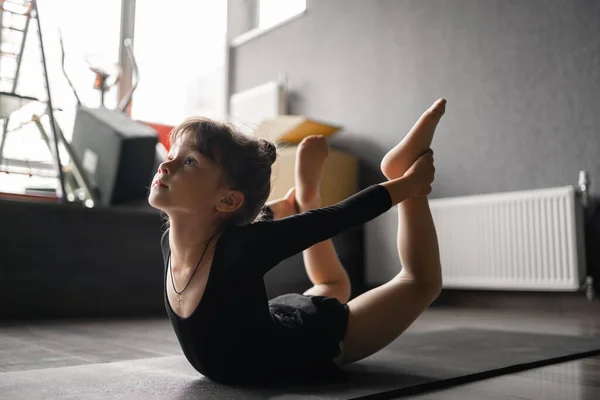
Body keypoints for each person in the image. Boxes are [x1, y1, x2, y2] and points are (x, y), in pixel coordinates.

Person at [148, 98, 446, 385]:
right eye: (171, 154)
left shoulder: (241, 249)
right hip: (272, 323)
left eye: (189, 161)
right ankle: (307, 199)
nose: (166, 165)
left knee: (420, 283)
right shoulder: (170, 243)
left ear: (227, 199)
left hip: (306, 344)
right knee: (333, 286)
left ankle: (403, 177)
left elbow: (338, 216)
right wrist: (277, 210)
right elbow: (238, 223)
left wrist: (408, 185)